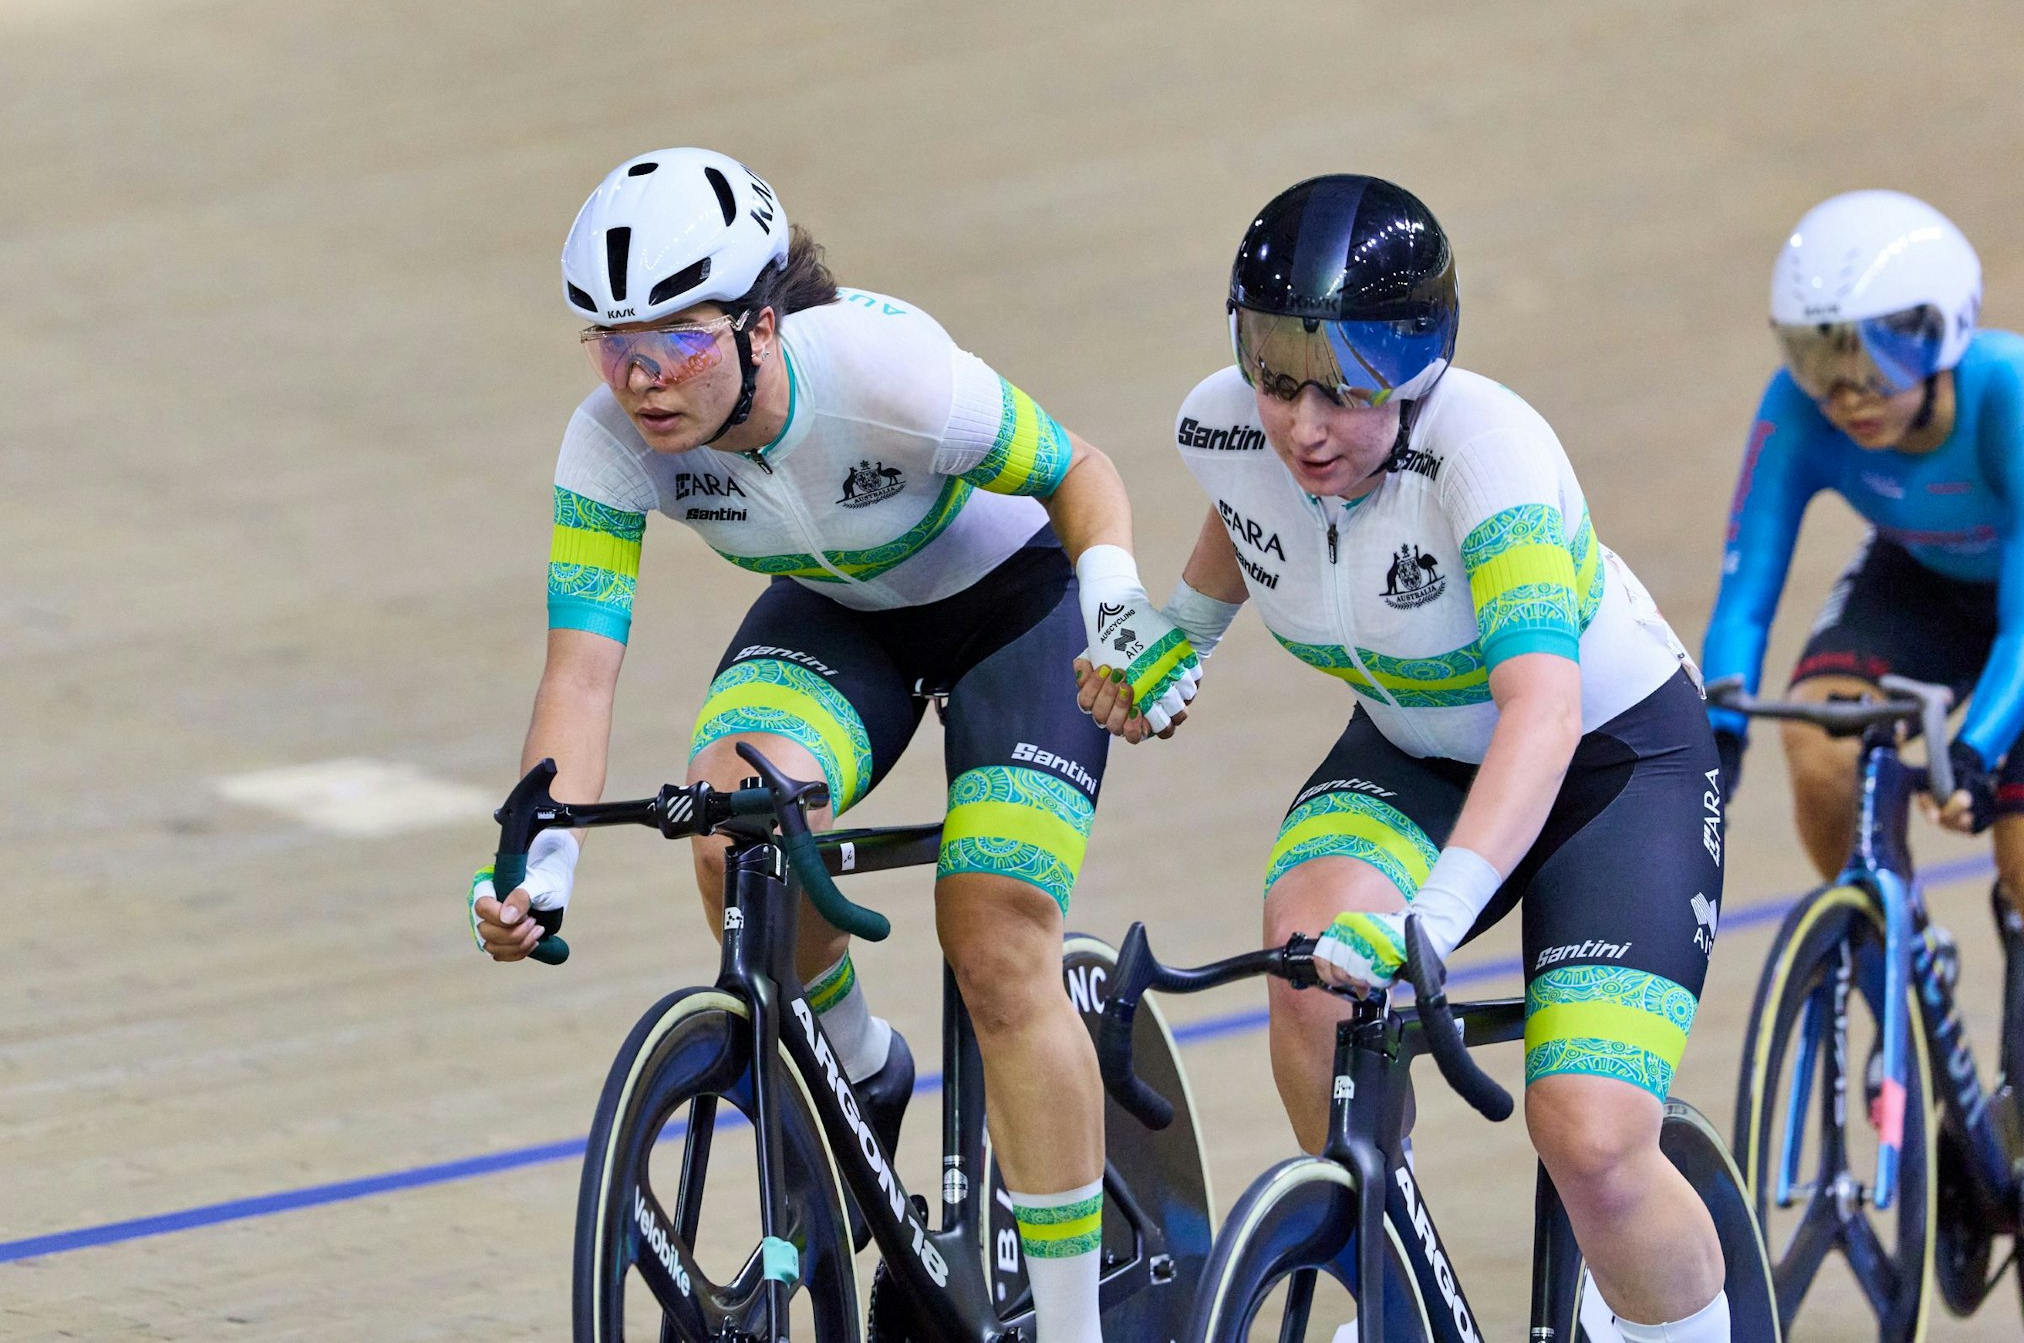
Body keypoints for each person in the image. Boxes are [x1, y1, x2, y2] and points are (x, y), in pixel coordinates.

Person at [467, 147, 1200, 1343]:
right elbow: (580, 673)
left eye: (678, 338)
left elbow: (1083, 476)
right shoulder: (608, 443)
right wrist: (535, 869)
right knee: (726, 825)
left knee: (994, 934)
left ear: (762, 321)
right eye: (611, 343)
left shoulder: (883, 374)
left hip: (1011, 606)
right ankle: (858, 1062)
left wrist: (1118, 618)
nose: (643, 377)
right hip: (836, 613)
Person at [1083, 175, 1731, 1340]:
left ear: (1420, 370)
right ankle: (1390, 1296)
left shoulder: (1492, 456)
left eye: (1344, 391)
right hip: (1413, 753)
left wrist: (1431, 917)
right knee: (1308, 962)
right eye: (1276, 380)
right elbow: (1248, 522)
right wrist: (1171, 643)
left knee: (1589, 1137)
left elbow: (1540, 708)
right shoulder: (1235, 430)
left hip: (1606, 767)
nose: (1303, 426)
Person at [1701, 189, 2024, 1081]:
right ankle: (1899, 955)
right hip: (1917, 581)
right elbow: (1747, 586)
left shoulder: (2010, 394)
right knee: (1817, 737)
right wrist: (1721, 726)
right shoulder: (1798, 410)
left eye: (1880, 353)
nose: (1846, 393)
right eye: (1815, 357)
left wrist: (1982, 749)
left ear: (1944, 330)